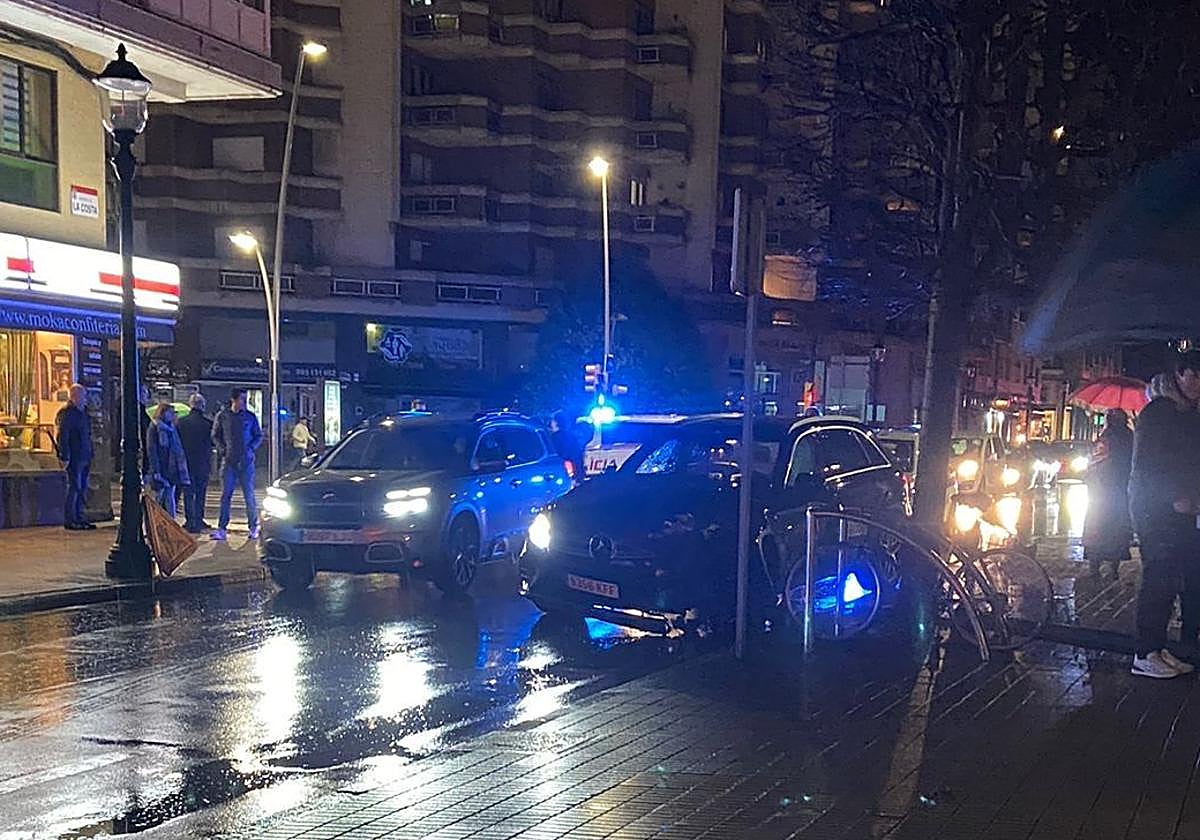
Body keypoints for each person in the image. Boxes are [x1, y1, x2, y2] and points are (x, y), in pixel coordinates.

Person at [1129, 352, 1200, 678]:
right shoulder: (1159, 412)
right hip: (1156, 510)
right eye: (1194, 376)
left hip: (1179, 509)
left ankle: (1157, 648)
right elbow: (1149, 465)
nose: (1198, 384)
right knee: (1158, 576)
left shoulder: (1185, 413)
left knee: (1171, 577)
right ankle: (1144, 653)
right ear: (1180, 375)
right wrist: (1174, 498)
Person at [1083, 408, 1134, 578]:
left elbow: (1094, 462)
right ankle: (1112, 568)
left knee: (1098, 528)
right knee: (1116, 529)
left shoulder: (1106, 438)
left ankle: (1095, 567)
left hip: (1103, 491)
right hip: (1120, 490)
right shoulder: (1130, 437)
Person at [212, 388, 263, 541]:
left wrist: (251, 449)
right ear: (234, 400)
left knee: (249, 495)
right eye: (242, 399)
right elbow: (215, 435)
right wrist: (223, 449)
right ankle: (222, 528)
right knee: (226, 495)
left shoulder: (250, 417)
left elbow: (258, 435)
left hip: (246, 461)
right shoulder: (223, 416)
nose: (245, 402)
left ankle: (253, 526)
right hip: (229, 461)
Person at [55, 384, 94, 531]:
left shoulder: (83, 413)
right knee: (74, 487)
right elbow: (63, 436)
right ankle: (71, 519)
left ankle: (80, 517)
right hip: (75, 457)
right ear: (75, 396)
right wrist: (64, 456)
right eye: (83, 395)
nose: (85, 399)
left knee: (82, 488)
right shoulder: (68, 414)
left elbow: (87, 435)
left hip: (84, 455)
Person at [177, 393, 214, 533]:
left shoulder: (181, 422)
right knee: (200, 492)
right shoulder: (207, 423)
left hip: (186, 461)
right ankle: (198, 518)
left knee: (188, 492)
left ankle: (190, 520)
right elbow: (212, 442)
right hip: (202, 462)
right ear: (202, 406)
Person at [147, 403, 191, 518]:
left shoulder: (172, 429)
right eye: (171, 413)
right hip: (161, 468)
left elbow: (176, 450)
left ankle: (170, 523)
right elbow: (152, 450)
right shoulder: (155, 427)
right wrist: (156, 470)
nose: (173, 415)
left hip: (171, 469)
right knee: (159, 499)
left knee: (170, 498)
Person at [549, 410, 584, 481]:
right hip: (575, 472)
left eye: (552, 420)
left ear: (556, 422)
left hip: (563, 471)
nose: (550, 422)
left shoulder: (555, 438)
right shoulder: (571, 436)